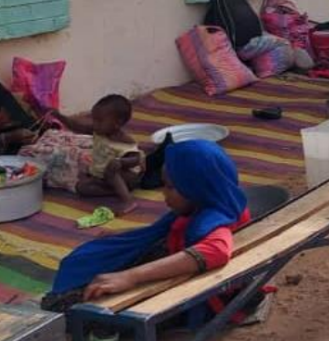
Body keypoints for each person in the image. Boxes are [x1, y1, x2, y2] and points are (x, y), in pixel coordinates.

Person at [42, 140, 252, 325]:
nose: (163, 193)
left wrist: (130, 276)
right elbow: (170, 233)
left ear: (197, 188)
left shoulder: (213, 221)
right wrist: (127, 234)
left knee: (77, 306)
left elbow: (216, 250)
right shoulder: (215, 203)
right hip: (174, 260)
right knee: (89, 265)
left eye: (170, 187)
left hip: (189, 297)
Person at [52, 95, 143, 215]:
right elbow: (77, 127)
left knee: (111, 169)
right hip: (104, 175)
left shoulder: (124, 141)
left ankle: (128, 200)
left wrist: (121, 162)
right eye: (93, 119)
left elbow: (136, 159)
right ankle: (113, 189)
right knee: (82, 188)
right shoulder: (99, 131)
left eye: (99, 121)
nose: (95, 124)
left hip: (127, 177)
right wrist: (59, 116)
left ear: (117, 123)